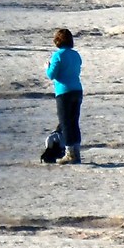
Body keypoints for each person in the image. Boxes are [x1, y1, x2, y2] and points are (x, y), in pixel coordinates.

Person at [45, 27, 83, 163]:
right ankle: (77, 151)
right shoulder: (76, 54)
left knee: (65, 123)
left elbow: (51, 75)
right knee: (74, 122)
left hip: (64, 91)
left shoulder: (58, 55)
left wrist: (47, 67)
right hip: (77, 89)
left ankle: (69, 153)